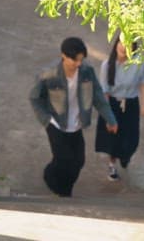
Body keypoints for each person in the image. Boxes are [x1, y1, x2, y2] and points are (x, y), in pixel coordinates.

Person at [29, 36, 118, 197]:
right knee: (63, 160)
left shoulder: (86, 72)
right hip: (56, 124)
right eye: (74, 60)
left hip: (76, 125)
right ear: (63, 55)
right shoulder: (49, 75)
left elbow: (98, 97)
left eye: (81, 60)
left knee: (78, 161)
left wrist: (110, 119)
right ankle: (57, 185)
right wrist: (46, 119)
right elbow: (35, 98)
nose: (78, 64)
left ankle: (64, 189)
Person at [95, 33, 144, 181]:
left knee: (132, 139)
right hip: (111, 103)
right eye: (121, 43)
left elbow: (143, 84)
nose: (123, 48)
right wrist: (108, 117)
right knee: (113, 139)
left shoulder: (139, 63)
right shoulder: (107, 65)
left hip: (130, 103)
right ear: (116, 44)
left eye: (128, 45)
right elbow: (104, 91)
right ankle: (112, 165)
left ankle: (125, 156)